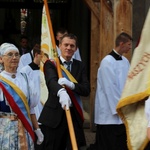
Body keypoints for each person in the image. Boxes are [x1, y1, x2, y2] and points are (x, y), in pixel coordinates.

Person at [38, 33, 90, 150]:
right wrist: (61, 91)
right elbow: (51, 82)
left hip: (73, 116)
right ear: (60, 46)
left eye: (72, 46)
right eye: (66, 45)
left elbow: (86, 89)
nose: (69, 48)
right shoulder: (51, 64)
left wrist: (72, 85)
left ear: (76, 49)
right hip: (54, 116)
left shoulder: (80, 66)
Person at [0, 43, 44, 149]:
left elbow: (31, 108)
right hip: (5, 131)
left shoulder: (26, 78)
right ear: (1, 59)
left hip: (25, 128)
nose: (14, 57)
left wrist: (37, 129)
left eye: (17, 54)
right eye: (10, 54)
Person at [94, 32, 132, 150]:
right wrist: (120, 108)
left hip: (122, 111)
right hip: (109, 115)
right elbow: (109, 88)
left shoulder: (125, 61)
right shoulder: (107, 62)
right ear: (121, 44)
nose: (130, 47)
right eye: (129, 44)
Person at [20, 46, 44, 148]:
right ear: (36, 55)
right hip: (34, 106)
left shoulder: (46, 70)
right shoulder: (26, 70)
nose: (44, 59)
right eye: (42, 56)